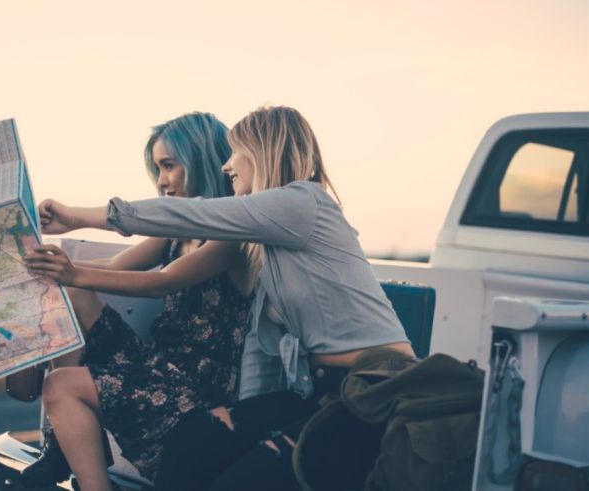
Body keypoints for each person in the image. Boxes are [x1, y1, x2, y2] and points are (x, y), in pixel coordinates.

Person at [36, 105, 416, 491]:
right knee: (193, 444)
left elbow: (188, 219)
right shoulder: (272, 232)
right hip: (321, 389)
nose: (226, 165)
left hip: (373, 385)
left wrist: (77, 218)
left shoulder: (301, 203)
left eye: (235, 153)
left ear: (262, 152)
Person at [22, 112, 254, 490]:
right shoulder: (175, 232)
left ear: (200, 159)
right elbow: (113, 266)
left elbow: (161, 283)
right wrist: (45, 267)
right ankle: (60, 448)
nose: (162, 181)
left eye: (169, 166)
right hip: (159, 365)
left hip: (197, 385)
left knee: (60, 386)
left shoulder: (231, 234)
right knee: (72, 292)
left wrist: (72, 272)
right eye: (157, 168)